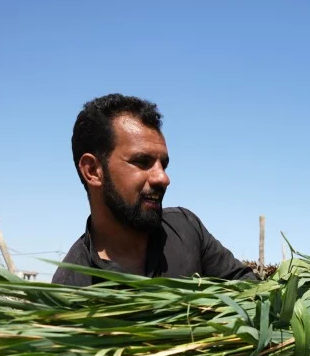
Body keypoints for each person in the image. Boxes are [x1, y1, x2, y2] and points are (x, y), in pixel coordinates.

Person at [51, 94, 256, 286]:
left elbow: (250, 291)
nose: (163, 178)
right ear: (93, 171)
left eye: (163, 164)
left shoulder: (186, 229)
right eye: (142, 161)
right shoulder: (72, 287)